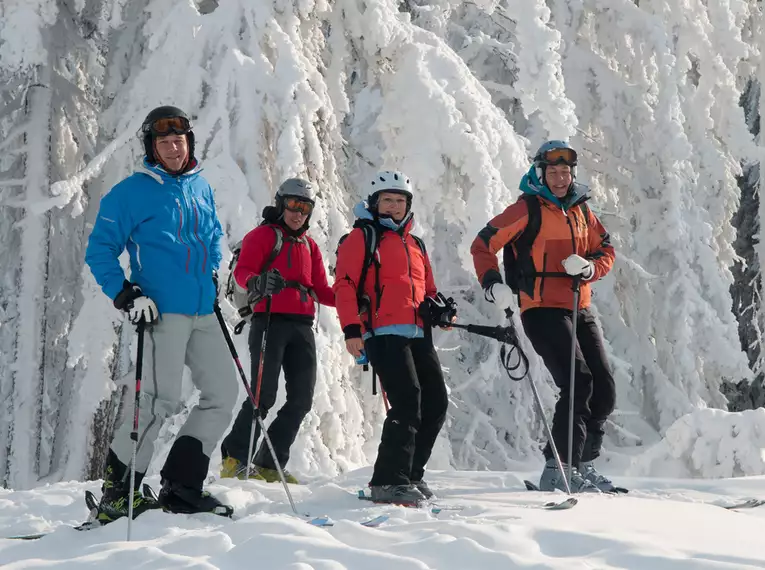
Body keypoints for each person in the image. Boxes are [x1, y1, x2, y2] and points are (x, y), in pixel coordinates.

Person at [85, 105, 237, 520]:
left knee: (223, 395)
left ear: (189, 141)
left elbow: (211, 238)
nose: (172, 146)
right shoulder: (131, 193)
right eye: (163, 141)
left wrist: (213, 279)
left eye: (179, 139)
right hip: (160, 313)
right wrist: (127, 295)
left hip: (204, 311)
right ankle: (119, 492)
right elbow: (99, 250)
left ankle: (181, 483)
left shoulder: (200, 187)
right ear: (152, 148)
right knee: (157, 402)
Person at [470, 141, 617, 493]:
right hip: (541, 308)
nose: (560, 177)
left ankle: (580, 464)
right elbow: (483, 244)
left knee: (604, 389)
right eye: (552, 172)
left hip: (578, 306)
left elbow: (606, 249)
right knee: (578, 381)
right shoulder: (527, 209)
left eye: (565, 172)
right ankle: (559, 468)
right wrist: (493, 284)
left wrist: (590, 268)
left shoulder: (581, 210)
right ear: (541, 173)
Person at [333, 170, 453, 505]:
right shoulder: (362, 238)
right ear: (374, 203)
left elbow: (428, 290)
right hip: (381, 331)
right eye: (388, 199)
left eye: (401, 200)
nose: (395, 206)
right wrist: (351, 330)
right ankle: (387, 480)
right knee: (407, 400)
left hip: (418, 332)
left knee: (436, 403)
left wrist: (440, 310)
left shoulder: (415, 244)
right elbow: (344, 285)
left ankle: (410, 474)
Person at [219, 178, 335, 483]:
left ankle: (269, 464)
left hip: (302, 326)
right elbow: (244, 272)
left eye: (305, 208)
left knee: (301, 399)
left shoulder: (310, 246)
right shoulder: (263, 235)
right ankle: (235, 459)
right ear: (281, 204)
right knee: (262, 395)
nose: (298, 213)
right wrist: (258, 282)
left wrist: (356, 303)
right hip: (269, 320)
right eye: (293, 206)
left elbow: (321, 290)